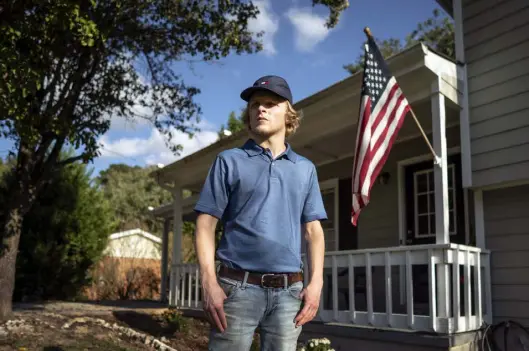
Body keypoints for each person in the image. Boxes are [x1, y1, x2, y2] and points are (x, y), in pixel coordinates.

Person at [193, 75, 327, 351]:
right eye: (255, 105)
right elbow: (205, 225)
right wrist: (209, 282)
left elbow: (313, 231)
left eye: (270, 104)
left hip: (289, 293)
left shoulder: (305, 169)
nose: (260, 110)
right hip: (237, 289)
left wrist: (316, 284)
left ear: (288, 113)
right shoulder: (229, 161)